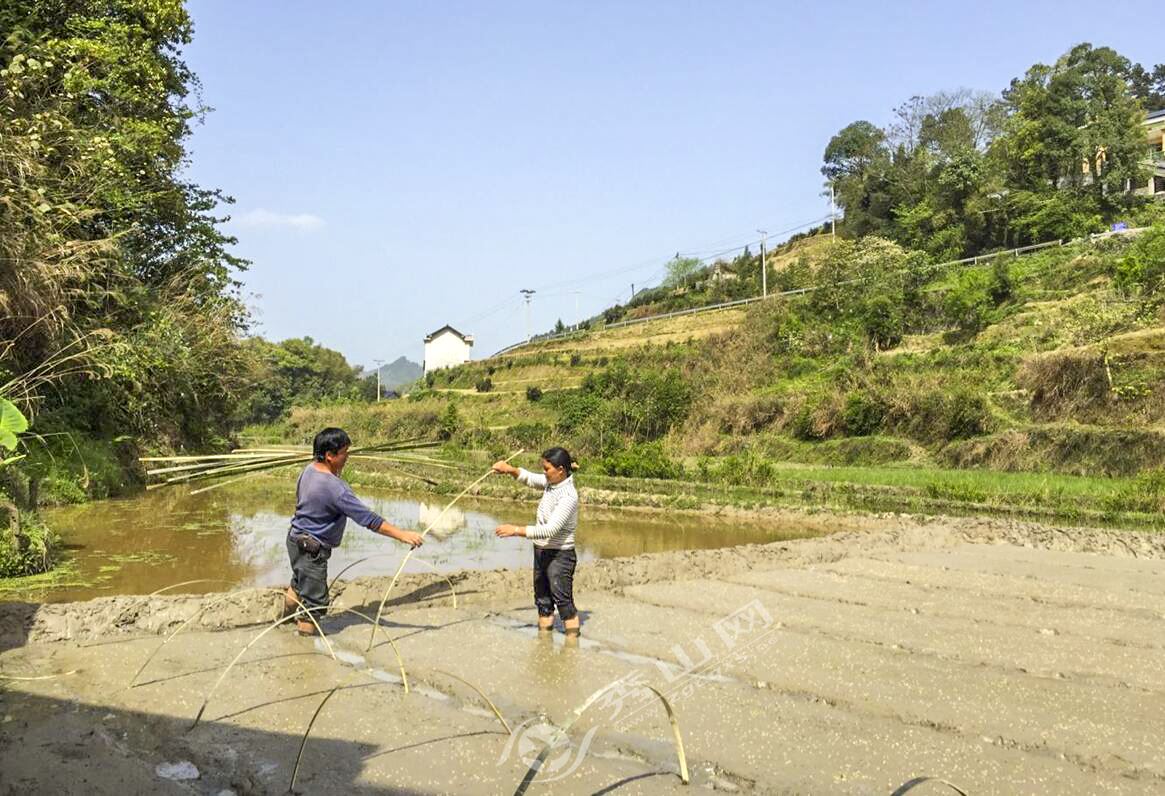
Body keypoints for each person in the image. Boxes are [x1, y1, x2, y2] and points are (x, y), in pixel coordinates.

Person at [283, 427, 423, 635]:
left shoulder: (309, 470)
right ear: (329, 456)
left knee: (299, 582)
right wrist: (402, 535)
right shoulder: (336, 489)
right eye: (344, 453)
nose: (347, 456)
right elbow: (369, 520)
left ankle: (282, 621)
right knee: (315, 603)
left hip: (295, 540)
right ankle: (303, 639)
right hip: (312, 549)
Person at [493, 447, 581, 637]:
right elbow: (530, 479)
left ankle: (572, 646)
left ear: (560, 470)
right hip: (541, 551)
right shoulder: (552, 482)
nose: (544, 472)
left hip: (560, 555)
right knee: (543, 602)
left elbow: (550, 530)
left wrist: (516, 530)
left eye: (547, 469)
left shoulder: (568, 496)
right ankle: (543, 643)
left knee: (564, 604)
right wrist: (509, 469)